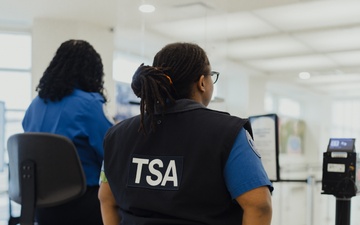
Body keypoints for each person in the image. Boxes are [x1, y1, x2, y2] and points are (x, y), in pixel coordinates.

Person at [100, 42, 273, 225]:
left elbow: (106, 199)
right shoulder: (229, 133)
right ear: (202, 83)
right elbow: (259, 206)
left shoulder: (115, 136)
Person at [22, 39, 114, 225]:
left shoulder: (35, 104)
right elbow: (113, 152)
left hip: (41, 206)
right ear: (92, 72)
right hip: (83, 205)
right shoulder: (89, 104)